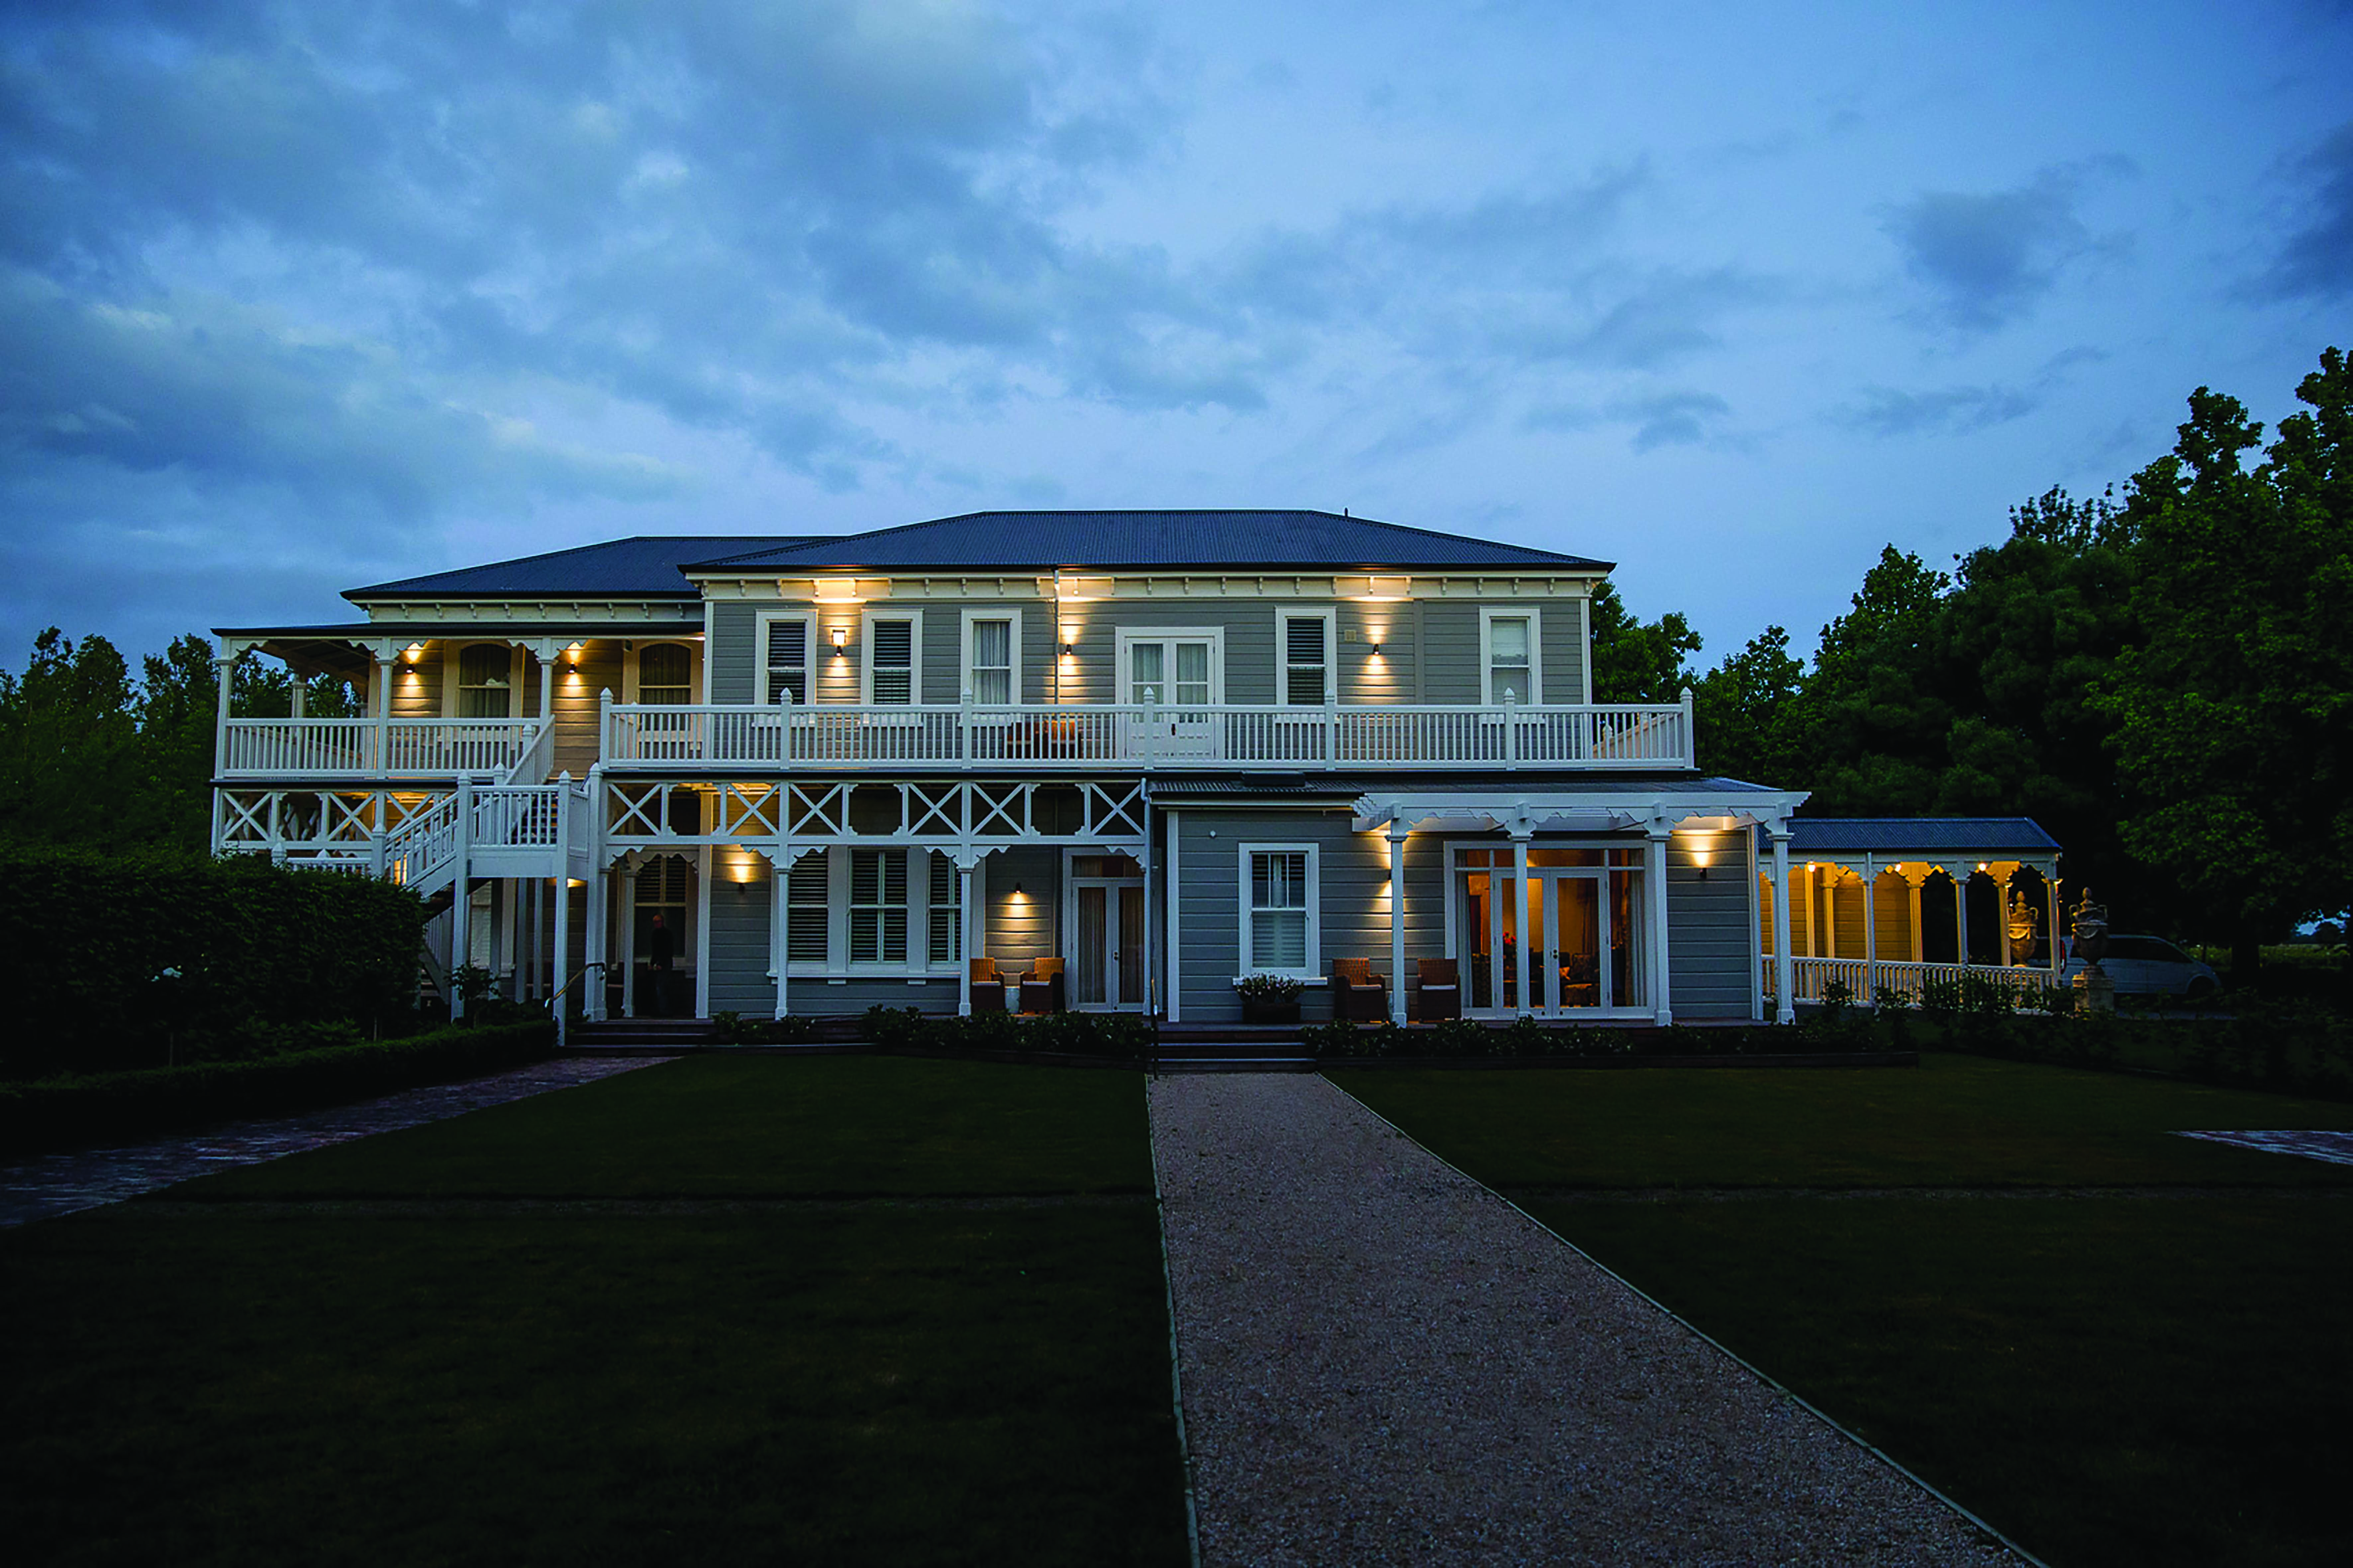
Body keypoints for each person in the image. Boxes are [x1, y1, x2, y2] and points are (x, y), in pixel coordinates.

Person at [648, 912, 675, 1017]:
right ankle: (659, 1010)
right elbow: (655, 950)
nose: (657, 924)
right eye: (655, 922)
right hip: (658, 963)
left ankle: (665, 1011)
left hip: (665, 963)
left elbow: (667, 950)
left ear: (663, 922)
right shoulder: (655, 934)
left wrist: (661, 964)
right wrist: (652, 963)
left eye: (658, 922)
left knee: (662, 987)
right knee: (658, 987)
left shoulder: (666, 934)